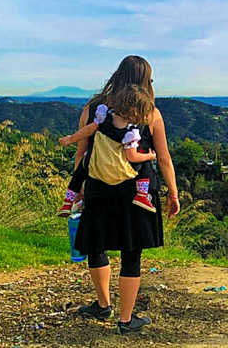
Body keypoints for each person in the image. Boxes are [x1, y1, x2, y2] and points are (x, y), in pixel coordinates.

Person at [72, 55, 180, 335]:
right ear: (145, 81)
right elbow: (164, 158)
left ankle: (102, 304)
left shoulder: (94, 107)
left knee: (97, 245)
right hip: (136, 191)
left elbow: (81, 151)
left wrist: (78, 186)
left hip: (98, 186)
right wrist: (173, 193)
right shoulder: (150, 113)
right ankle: (126, 319)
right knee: (132, 254)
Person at [57, 85, 158, 215]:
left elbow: (88, 130)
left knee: (81, 169)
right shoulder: (131, 133)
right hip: (118, 172)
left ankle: (68, 202)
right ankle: (142, 195)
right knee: (144, 164)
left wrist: (71, 139)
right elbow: (132, 157)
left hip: (96, 167)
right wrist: (149, 156)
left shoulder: (103, 116)